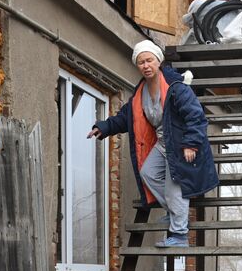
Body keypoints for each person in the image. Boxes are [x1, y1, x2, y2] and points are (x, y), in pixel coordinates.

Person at [89, 38, 218, 248]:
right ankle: (173, 212)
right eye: (141, 62)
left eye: (149, 60)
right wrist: (104, 127)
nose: (146, 65)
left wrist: (191, 144)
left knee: (175, 187)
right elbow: (127, 117)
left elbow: (196, 116)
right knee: (148, 172)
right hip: (162, 143)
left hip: (182, 144)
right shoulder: (140, 92)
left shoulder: (176, 87)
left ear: (158, 61)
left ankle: (179, 235)